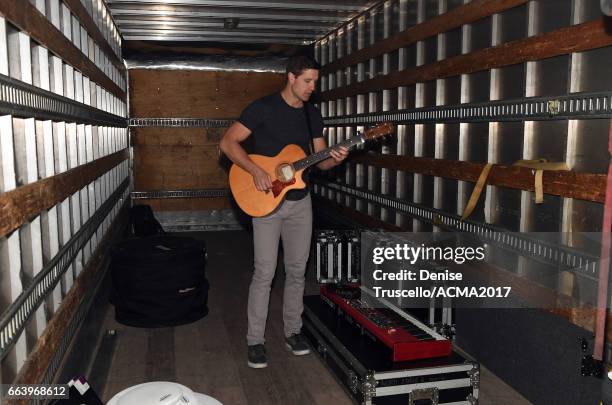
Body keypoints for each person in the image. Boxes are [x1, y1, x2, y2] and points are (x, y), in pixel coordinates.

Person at [219, 55, 348, 368]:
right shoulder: (262, 108)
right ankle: (255, 341)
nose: (312, 87)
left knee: (297, 270)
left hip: (300, 203)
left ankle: (293, 332)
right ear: (291, 77)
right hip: (265, 201)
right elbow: (228, 143)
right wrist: (253, 169)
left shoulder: (312, 114)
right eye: (307, 81)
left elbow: (321, 159)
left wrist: (336, 157)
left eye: (315, 81)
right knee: (265, 272)